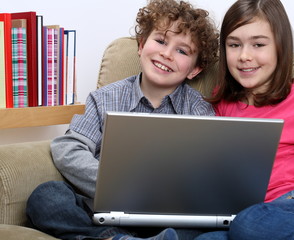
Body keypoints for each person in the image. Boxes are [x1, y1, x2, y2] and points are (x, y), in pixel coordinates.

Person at [26, 1, 219, 240]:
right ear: (141, 45)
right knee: (46, 195)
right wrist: (117, 185)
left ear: (195, 70)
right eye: (160, 41)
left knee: (207, 224)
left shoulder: (199, 110)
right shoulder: (105, 98)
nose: (166, 54)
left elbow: (205, 172)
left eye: (182, 51)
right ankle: (115, 236)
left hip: (164, 216)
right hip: (103, 210)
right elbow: (68, 148)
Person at [195, 0, 294, 240]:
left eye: (258, 44)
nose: (244, 56)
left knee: (250, 222)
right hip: (249, 214)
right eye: (234, 45)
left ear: (280, 47)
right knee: (206, 238)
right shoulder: (223, 104)